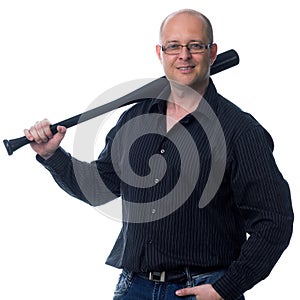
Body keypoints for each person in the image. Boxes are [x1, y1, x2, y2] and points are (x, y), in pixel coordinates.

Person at [24, 9, 293, 300]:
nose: (184, 55)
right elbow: (99, 188)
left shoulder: (240, 131)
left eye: (195, 45)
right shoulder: (134, 119)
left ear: (212, 53)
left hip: (203, 288)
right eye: (174, 46)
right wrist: (53, 156)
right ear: (160, 52)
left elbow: (274, 220)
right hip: (134, 287)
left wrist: (226, 288)